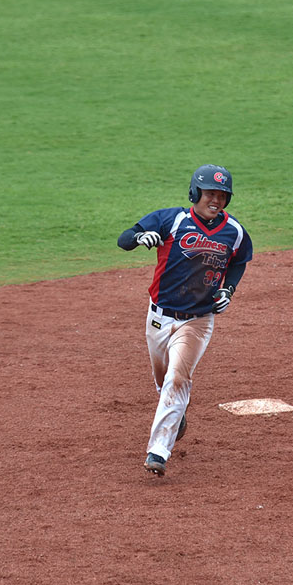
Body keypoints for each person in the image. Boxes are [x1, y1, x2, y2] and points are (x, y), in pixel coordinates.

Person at [117, 164, 253, 477]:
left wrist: (228, 290)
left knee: (178, 378)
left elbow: (240, 261)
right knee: (163, 379)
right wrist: (140, 237)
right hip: (159, 318)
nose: (216, 200)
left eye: (222, 195)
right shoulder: (171, 220)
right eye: (210, 193)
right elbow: (124, 239)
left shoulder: (234, 232)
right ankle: (177, 415)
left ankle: (158, 453)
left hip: (198, 320)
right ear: (195, 193)